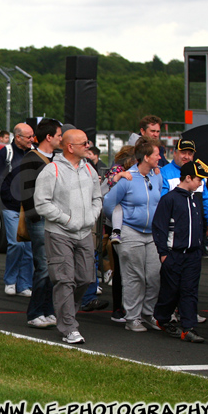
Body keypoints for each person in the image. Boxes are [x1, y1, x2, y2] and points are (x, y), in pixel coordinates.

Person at [34, 129, 102, 344]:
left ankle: (64, 313)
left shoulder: (89, 170)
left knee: (85, 278)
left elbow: (97, 198)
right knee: (64, 280)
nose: (88, 147)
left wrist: (90, 216)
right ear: (70, 147)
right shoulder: (51, 170)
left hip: (84, 233)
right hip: (59, 233)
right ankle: (69, 327)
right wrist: (67, 220)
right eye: (84, 144)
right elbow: (42, 203)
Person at [103, 137, 163, 332]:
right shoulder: (127, 178)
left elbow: (157, 200)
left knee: (154, 275)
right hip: (131, 232)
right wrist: (121, 221)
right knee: (134, 276)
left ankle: (148, 313)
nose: (160, 157)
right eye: (156, 154)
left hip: (152, 233)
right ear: (146, 157)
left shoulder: (157, 176)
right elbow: (109, 204)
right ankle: (132, 317)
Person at [152, 160, 208, 343]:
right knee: (171, 291)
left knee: (190, 291)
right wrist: (163, 253)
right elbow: (159, 226)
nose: (201, 183)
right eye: (198, 179)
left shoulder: (196, 199)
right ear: (188, 178)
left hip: (193, 255)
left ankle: (189, 327)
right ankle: (162, 317)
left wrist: (200, 245)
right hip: (174, 254)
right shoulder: (169, 199)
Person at [16, 119, 62, 328]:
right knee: (42, 266)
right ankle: (34, 313)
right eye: (59, 135)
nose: (61, 139)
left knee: (53, 267)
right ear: (49, 137)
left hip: (55, 219)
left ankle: (48, 309)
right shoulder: (31, 159)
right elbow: (25, 191)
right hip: (40, 220)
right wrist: (36, 217)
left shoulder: (58, 159)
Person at [0, 122, 35, 297]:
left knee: (29, 248)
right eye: (29, 137)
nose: (32, 139)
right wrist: (6, 198)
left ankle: (24, 283)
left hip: (30, 208)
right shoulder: (6, 153)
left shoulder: (34, 152)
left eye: (33, 136)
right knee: (16, 244)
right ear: (18, 137)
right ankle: (10, 280)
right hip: (11, 207)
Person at [100, 145, 138, 323]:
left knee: (132, 271)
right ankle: (118, 307)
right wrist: (118, 177)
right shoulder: (117, 170)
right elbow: (110, 192)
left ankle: (131, 306)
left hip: (131, 224)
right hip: (115, 225)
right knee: (120, 270)